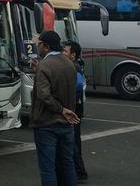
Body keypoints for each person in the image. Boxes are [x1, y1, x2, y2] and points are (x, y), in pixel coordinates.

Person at [30, 30, 80, 186]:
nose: (37, 46)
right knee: (67, 164)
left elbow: (44, 96)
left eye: (39, 44)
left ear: (45, 46)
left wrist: (60, 109)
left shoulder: (45, 65)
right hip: (67, 122)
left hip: (47, 123)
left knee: (48, 168)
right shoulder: (69, 63)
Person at [63, 41, 87, 182]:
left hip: (74, 109)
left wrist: (70, 99)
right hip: (75, 108)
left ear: (73, 55)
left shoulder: (74, 67)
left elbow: (78, 86)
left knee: (73, 142)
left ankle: (79, 171)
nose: (62, 53)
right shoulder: (74, 65)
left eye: (65, 51)